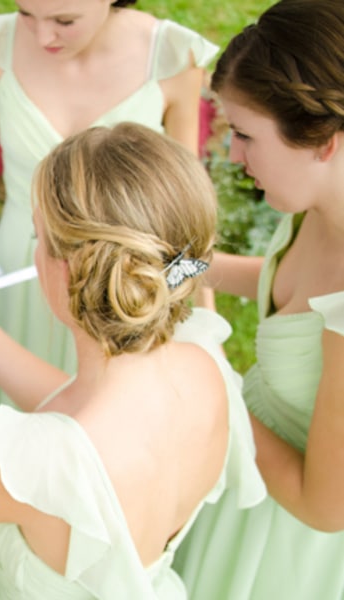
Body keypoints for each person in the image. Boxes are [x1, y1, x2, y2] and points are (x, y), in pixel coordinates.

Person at [0, 123, 265, 598]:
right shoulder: (204, 364)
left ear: (67, 266)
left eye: (39, 233)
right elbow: (85, 414)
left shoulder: (37, 459)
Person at [0, 0, 219, 432]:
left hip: (121, 283)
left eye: (64, 21)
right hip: (26, 260)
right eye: (26, 14)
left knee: (116, 429)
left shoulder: (171, 58)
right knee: (19, 433)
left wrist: (201, 318)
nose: (42, 37)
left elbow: (187, 211)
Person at [172, 2, 344, 598]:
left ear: (323, 139)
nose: (234, 157)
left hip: (292, 548)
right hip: (247, 477)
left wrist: (206, 378)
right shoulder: (318, 204)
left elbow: (324, 508)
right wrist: (180, 268)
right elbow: (279, 283)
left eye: (245, 135)